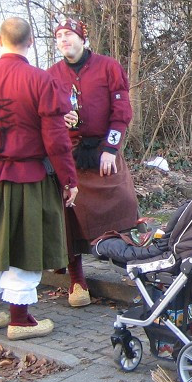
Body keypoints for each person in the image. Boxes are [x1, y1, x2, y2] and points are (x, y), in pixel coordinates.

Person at [0, 17, 78, 340]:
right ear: (31, 42)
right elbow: (57, 139)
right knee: (25, 242)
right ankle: (19, 320)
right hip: (27, 178)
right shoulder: (41, 81)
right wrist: (69, 180)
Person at [47, 17, 139, 308]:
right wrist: (59, 120)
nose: (64, 40)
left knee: (124, 205)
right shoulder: (50, 76)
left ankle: (136, 269)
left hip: (103, 150)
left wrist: (111, 148)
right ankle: (77, 280)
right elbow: (45, 116)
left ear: (82, 39)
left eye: (69, 35)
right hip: (68, 153)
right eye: (59, 35)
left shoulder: (108, 67)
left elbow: (122, 109)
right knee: (69, 215)